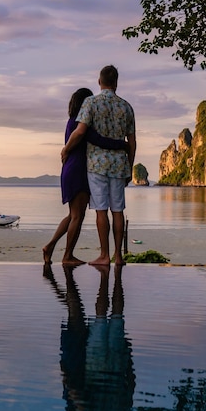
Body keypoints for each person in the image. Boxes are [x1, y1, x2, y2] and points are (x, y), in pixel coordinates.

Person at [61, 66, 136, 266]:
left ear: (99, 81)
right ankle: (118, 257)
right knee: (118, 210)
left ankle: (104, 255)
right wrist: (130, 166)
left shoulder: (91, 102)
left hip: (97, 164)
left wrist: (66, 149)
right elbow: (132, 142)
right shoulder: (126, 107)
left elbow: (80, 131)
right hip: (119, 165)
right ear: (116, 82)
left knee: (101, 211)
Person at [43, 88, 127, 265]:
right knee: (76, 216)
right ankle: (67, 256)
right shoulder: (80, 124)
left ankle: (50, 246)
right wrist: (123, 145)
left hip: (70, 170)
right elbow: (98, 140)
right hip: (78, 170)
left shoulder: (71, 121)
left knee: (73, 215)